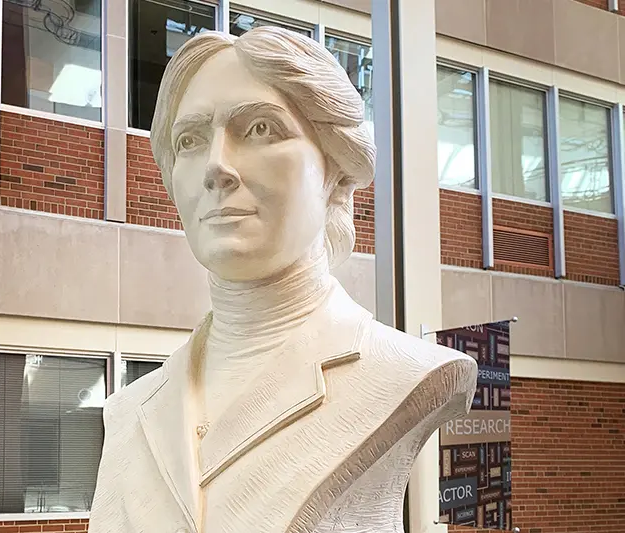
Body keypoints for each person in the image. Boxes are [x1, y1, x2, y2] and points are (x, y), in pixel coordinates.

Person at [87, 26, 477, 533]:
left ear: (335, 168)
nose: (216, 168)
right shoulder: (129, 413)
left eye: (260, 129)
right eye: (189, 140)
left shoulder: (408, 374)